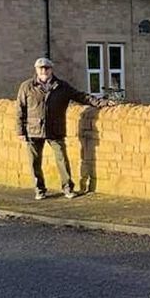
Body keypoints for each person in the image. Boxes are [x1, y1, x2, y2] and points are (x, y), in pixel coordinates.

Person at [16, 57, 114, 200]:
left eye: (46, 68)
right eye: (41, 68)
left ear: (51, 70)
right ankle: (39, 190)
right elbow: (20, 110)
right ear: (36, 70)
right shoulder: (27, 87)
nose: (44, 71)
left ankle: (68, 188)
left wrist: (101, 102)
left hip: (55, 129)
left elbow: (80, 96)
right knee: (34, 162)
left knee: (62, 160)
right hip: (33, 129)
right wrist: (20, 131)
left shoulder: (61, 86)